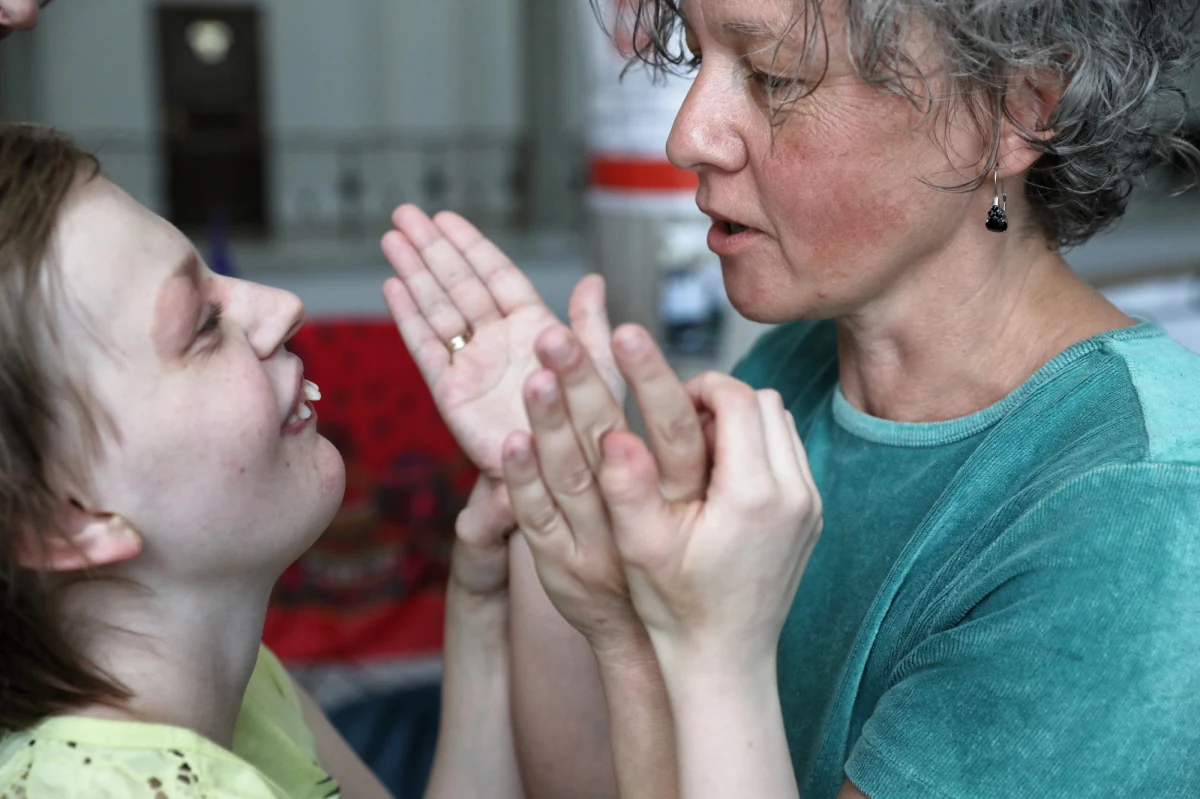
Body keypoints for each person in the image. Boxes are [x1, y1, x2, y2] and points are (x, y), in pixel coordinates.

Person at [381, 0, 1200, 796]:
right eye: (699, 61)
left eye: (775, 75)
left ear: (1015, 110)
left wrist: (712, 649)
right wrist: (556, 467)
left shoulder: (1135, 515)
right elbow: (602, 780)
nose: (687, 136)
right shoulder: (786, 375)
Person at [0, 123, 526, 799]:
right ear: (68, 519)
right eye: (203, 324)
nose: (282, 307)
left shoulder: (244, 688)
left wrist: (481, 607)